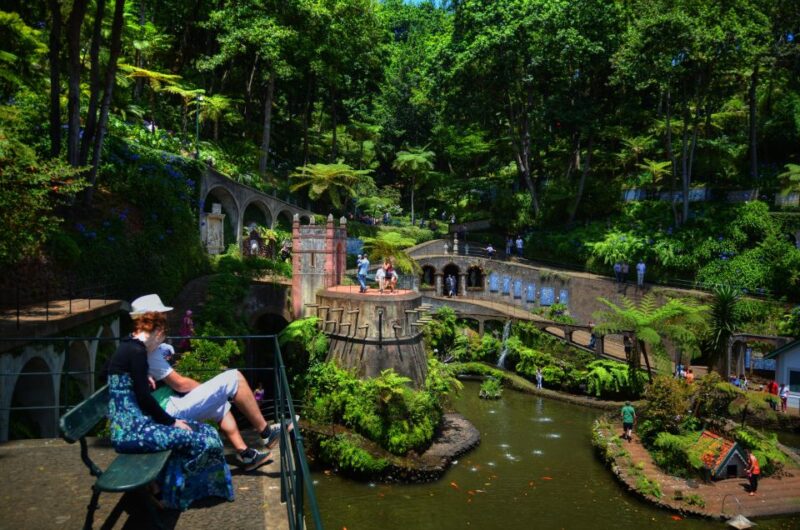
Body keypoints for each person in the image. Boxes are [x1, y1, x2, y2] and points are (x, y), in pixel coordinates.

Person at [131, 295, 281, 472]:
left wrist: (212, 394)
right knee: (235, 378)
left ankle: (247, 454)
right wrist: (208, 391)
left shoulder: (141, 344)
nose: (165, 322)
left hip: (163, 403)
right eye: (161, 318)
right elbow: (179, 384)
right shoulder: (148, 350)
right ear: (151, 320)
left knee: (219, 403)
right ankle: (266, 433)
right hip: (165, 411)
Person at [105, 310, 234, 510]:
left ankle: (172, 490)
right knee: (199, 437)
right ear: (156, 332)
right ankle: (181, 495)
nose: (160, 345)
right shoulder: (138, 352)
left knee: (207, 431)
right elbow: (145, 399)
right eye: (162, 338)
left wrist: (141, 377)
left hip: (129, 427)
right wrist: (172, 422)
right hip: (132, 431)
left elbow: (111, 371)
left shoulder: (127, 347)